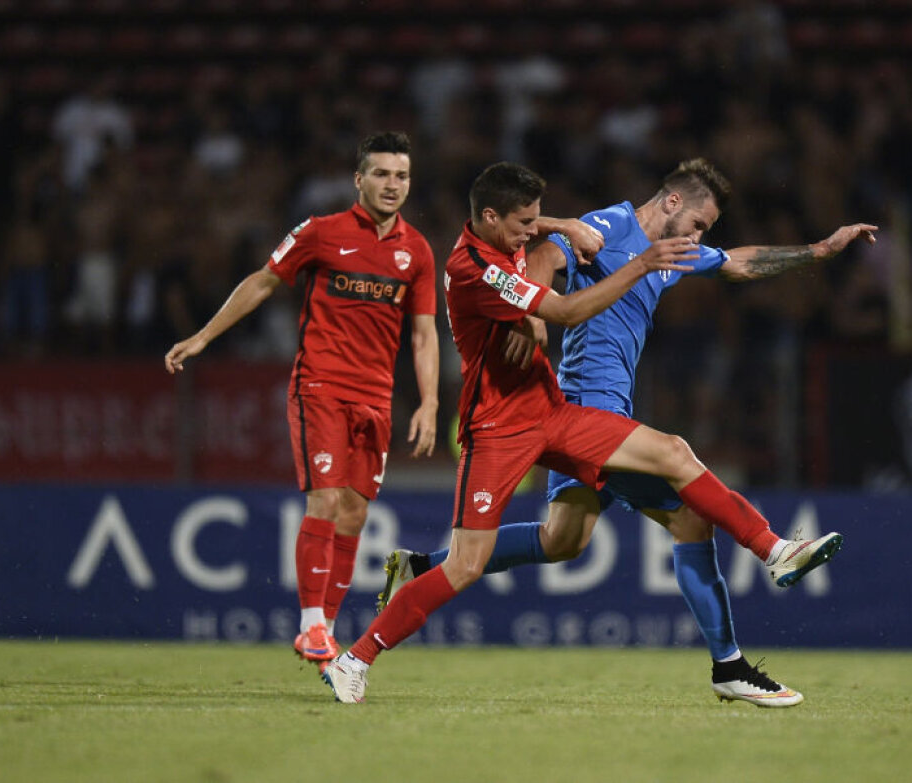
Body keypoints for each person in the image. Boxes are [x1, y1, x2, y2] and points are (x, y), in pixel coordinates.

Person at [322, 161, 852, 705]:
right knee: (672, 510)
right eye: (698, 224)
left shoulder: (655, 248)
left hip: (553, 411)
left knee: (568, 537)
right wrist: (538, 304)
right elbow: (548, 275)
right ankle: (356, 657)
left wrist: (817, 252)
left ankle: (419, 566)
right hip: (525, 418)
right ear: (672, 202)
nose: (699, 237)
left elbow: (733, 262)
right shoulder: (575, 239)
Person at [164, 131, 442, 670]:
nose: (392, 184)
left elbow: (424, 333)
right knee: (326, 500)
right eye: (381, 174)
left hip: (376, 398)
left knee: (355, 513)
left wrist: (430, 402)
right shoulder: (320, 232)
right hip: (321, 386)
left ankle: (326, 631)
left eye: (402, 175)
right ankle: (311, 623)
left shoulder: (417, 251)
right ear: (358, 179)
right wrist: (203, 336)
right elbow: (263, 282)